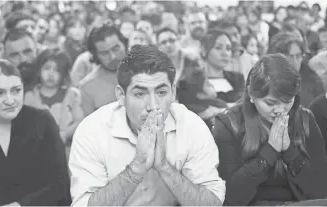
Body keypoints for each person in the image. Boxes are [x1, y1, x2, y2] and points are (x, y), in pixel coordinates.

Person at [69, 45, 225, 206]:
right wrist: (136, 168)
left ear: (173, 92)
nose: (152, 106)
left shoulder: (191, 126)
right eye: (140, 94)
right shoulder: (92, 131)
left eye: (161, 93)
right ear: (121, 95)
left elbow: (212, 204)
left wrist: (165, 168)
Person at [213, 54, 327, 206]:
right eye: (270, 103)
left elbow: (321, 190)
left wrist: (290, 153)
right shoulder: (228, 124)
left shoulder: (306, 119)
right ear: (251, 94)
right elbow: (230, 197)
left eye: (287, 101)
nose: (280, 110)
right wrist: (270, 152)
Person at [0, 59, 71, 206]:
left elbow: (61, 185)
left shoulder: (42, 121)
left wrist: (20, 205)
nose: (10, 100)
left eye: (16, 90)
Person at [24, 48, 84, 154]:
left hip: (66, 150)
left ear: (64, 74)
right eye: (47, 68)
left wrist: (65, 134)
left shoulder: (71, 94)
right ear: (38, 71)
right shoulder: (29, 96)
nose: (51, 74)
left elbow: (79, 121)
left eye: (57, 70)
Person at [79, 22, 128, 116]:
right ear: (96, 56)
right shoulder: (87, 86)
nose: (113, 57)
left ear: (124, 44)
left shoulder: (146, 70)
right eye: (104, 53)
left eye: (116, 49)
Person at [267, 32, 325, 107]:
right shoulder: (268, 78)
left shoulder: (314, 81)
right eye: (290, 56)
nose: (295, 61)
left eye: (298, 56)